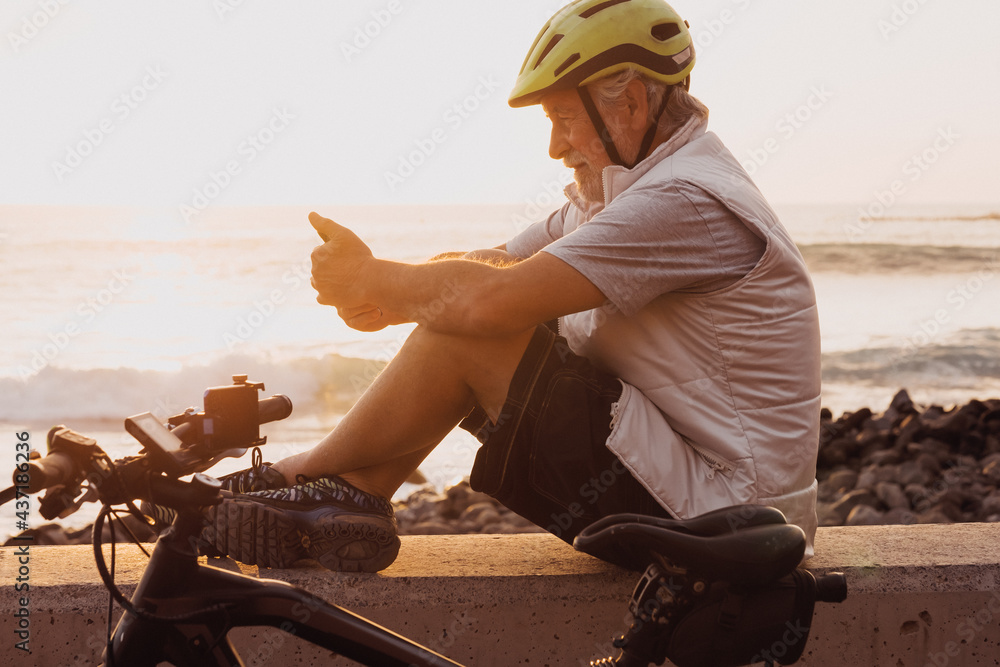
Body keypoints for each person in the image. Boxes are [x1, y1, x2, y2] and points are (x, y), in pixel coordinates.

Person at [194, 0, 822, 573]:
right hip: (701, 499)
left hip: (732, 526)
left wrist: (381, 282)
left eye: (563, 120)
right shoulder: (625, 192)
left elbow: (488, 302)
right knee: (465, 314)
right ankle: (347, 496)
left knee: (475, 330)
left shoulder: (684, 201)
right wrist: (384, 290)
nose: (554, 147)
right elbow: (489, 264)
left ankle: (296, 476)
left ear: (629, 104)